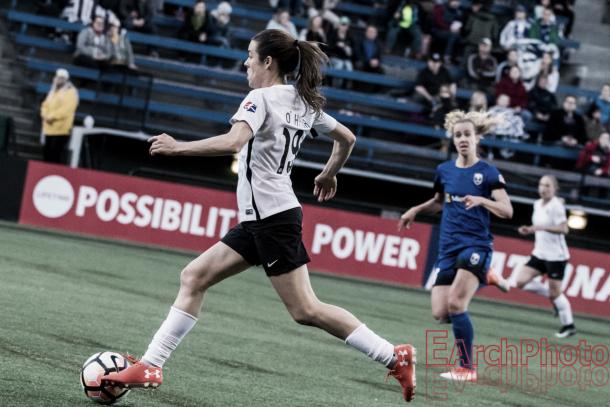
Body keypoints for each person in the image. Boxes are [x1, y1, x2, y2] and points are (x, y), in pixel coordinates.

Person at [100, 29, 416, 403]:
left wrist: (177, 147)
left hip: (273, 218)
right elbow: (347, 138)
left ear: (268, 61)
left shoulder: (260, 98)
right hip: (263, 216)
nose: (245, 62)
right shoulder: (302, 101)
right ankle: (152, 364)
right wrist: (329, 172)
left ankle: (393, 356)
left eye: (250, 55)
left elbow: (234, 142)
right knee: (194, 276)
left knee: (306, 309)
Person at [398, 110, 513, 382]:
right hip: (448, 248)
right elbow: (439, 201)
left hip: (475, 245)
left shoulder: (487, 173)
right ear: (453, 139)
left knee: (457, 303)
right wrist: (415, 209)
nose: (462, 139)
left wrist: (483, 200)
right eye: (458, 135)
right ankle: (487, 275)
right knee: (441, 312)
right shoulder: (444, 170)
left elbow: (507, 210)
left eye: (467, 134)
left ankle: (467, 368)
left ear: (477, 138)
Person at [514, 175, 576, 338]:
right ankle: (554, 298)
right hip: (540, 253)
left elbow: (564, 229)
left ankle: (569, 326)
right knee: (520, 281)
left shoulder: (556, 206)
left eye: (548, 186)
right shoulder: (537, 204)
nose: (543, 188)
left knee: (557, 293)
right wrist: (530, 229)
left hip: (556, 256)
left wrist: (540, 228)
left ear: (555, 189)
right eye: (541, 185)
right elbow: (539, 227)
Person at [40, 68, 79, 164]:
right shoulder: (53, 91)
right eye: (58, 77)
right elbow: (45, 105)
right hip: (48, 129)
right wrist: (44, 115)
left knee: (55, 156)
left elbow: (67, 109)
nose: (59, 80)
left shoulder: (71, 92)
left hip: (61, 130)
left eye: (62, 78)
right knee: (47, 155)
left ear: (66, 79)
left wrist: (51, 116)